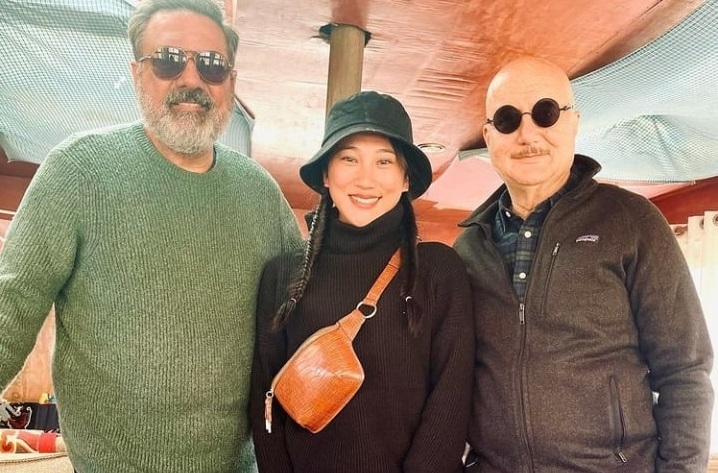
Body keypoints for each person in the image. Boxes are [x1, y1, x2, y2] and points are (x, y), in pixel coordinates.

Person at [0, 0, 301, 471]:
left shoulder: (260, 193)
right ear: (137, 72)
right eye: (168, 60)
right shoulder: (78, 171)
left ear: (230, 82)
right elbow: (11, 305)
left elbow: (308, 305)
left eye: (211, 64)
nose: (191, 79)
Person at [453, 55, 714, 472]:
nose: (527, 134)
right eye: (507, 119)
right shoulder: (468, 246)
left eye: (546, 113)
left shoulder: (632, 221)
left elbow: (684, 370)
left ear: (573, 122)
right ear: (489, 135)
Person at [250, 90, 474, 472]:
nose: (365, 178)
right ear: (326, 173)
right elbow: (264, 401)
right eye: (349, 158)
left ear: (405, 178)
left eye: (384, 161)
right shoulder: (283, 275)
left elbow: (452, 399)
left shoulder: (438, 270)